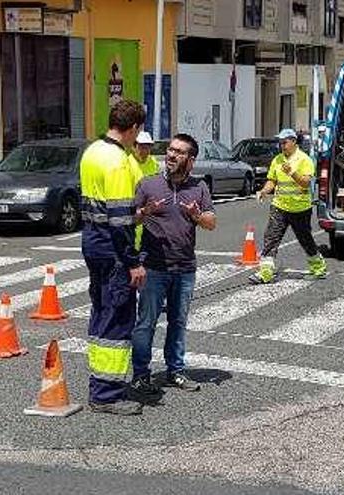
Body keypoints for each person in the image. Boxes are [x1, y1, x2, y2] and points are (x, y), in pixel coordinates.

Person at [129, 133, 216, 401]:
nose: (171, 155)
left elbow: (211, 222)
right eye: (170, 150)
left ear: (191, 160)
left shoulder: (199, 187)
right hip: (153, 266)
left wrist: (196, 215)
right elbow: (129, 220)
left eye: (179, 152)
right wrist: (146, 212)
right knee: (146, 323)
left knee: (178, 322)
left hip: (185, 267)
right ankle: (141, 375)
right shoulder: (148, 185)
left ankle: (175, 370)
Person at [79, 99, 146, 416]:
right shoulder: (118, 161)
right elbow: (120, 220)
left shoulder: (92, 151)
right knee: (117, 316)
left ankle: (100, 383)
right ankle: (106, 395)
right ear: (134, 128)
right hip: (113, 246)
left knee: (102, 309)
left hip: (93, 239)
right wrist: (133, 262)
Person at [249, 128, 327, 284]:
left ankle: (318, 267)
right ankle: (266, 272)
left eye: (285, 142)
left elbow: (305, 183)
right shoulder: (277, 160)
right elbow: (272, 180)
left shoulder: (305, 160)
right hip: (279, 206)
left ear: (293, 141)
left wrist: (292, 172)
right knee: (271, 238)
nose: (282, 146)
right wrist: (264, 191)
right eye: (280, 143)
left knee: (305, 239)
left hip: (300, 208)